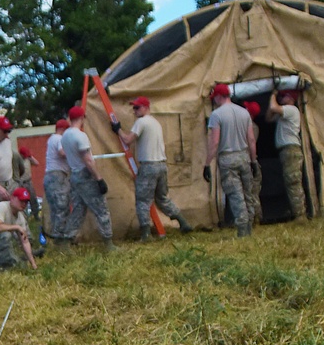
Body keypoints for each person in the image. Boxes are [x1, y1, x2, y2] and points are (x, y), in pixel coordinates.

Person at [117, 95, 193, 240]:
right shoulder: (155, 123)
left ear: (146, 108)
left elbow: (127, 141)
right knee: (162, 198)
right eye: (134, 108)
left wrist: (118, 130)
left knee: (142, 200)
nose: (134, 111)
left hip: (149, 165)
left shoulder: (141, 122)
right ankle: (182, 222)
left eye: (137, 107)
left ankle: (146, 234)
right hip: (162, 165)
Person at [203, 85, 257, 238]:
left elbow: (214, 143)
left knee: (235, 195)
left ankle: (242, 230)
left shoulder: (216, 115)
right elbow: (251, 140)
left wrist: (207, 164)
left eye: (214, 98)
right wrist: (253, 161)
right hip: (244, 156)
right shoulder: (244, 113)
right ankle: (250, 225)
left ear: (219, 97)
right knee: (248, 192)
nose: (214, 101)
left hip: (227, 158)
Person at [62, 105, 112, 246]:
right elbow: (88, 160)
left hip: (74, 175)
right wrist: (99, 178)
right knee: (101, 209)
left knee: (78, 209)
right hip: (85, 175)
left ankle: (67, 240)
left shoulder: (65, 136)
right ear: (81, 118)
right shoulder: (80, 136)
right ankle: (108, 242)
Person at [266, 89, 307, 220]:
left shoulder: (291, 110)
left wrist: (273, 94)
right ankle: (296, 210)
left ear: (291, 98)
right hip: (286, 150)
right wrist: (272, 105)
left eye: (284, 96)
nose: (281, 98)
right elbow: (268, 118)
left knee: (293, 182)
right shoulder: (284, 112)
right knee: (290, 182)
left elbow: (274, 107)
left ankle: (300, 214)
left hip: (291, 149)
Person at [43, 119, 72, 244]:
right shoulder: (59, 139)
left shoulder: (51, 139)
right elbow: (62, 152)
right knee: (62, 207)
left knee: (55, 210)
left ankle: (55, 236)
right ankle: (60, 239)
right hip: (58, 176)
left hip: (50, 176)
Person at [242, 100, 263, 225]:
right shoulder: (250, 127)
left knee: (252, 193)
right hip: (250, 162)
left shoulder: (252, 128)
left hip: (250, 162)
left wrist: (252, 162)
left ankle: (256, 218)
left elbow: (250, 145)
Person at [12, 145, 42, 225]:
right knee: (22, 201)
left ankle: (36, 215)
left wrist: (30, 156)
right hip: (21, 182)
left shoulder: (28, 159)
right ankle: (23, 218)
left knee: (33, 199)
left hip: (29, 181)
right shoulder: (17, 160)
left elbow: (36, 163)